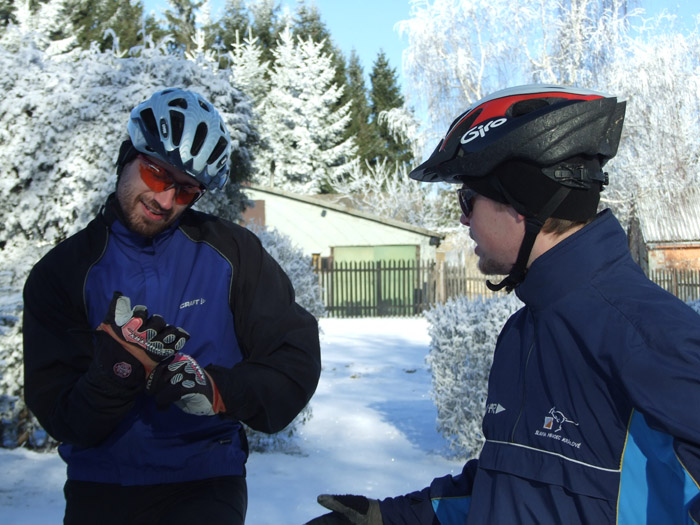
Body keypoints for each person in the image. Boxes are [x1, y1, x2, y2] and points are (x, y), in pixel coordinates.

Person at [306, 84, 700, 524]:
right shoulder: (526, 331)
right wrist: (388, 518)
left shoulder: (649, 336)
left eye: (467, 199)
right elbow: (512, 488)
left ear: (520, 201)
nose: (462, 217)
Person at [23, 88, 321, 524]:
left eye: (185, 191)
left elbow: (293, 362)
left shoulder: (234, 253)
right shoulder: (63, 272)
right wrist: (114, 374)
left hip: (207, 481)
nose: (165, 201)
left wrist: (216, 390)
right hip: (101, 486)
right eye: (157, 175)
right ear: (128, 155)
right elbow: (60, 415)